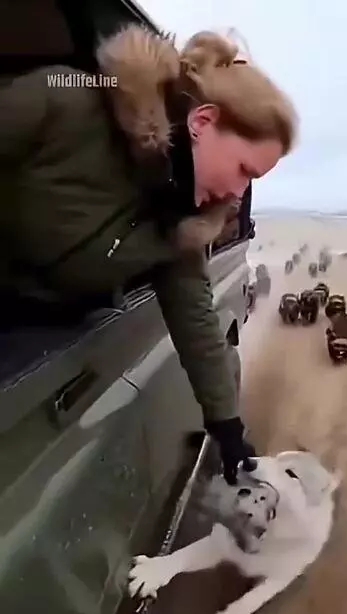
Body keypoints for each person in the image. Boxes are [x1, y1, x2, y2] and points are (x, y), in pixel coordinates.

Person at [0, 24, 297, 484]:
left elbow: (197, 320)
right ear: (202, 123)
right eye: (243, 170)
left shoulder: (179, 224)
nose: (239, 193)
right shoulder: (64, 100)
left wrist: (227, 427)